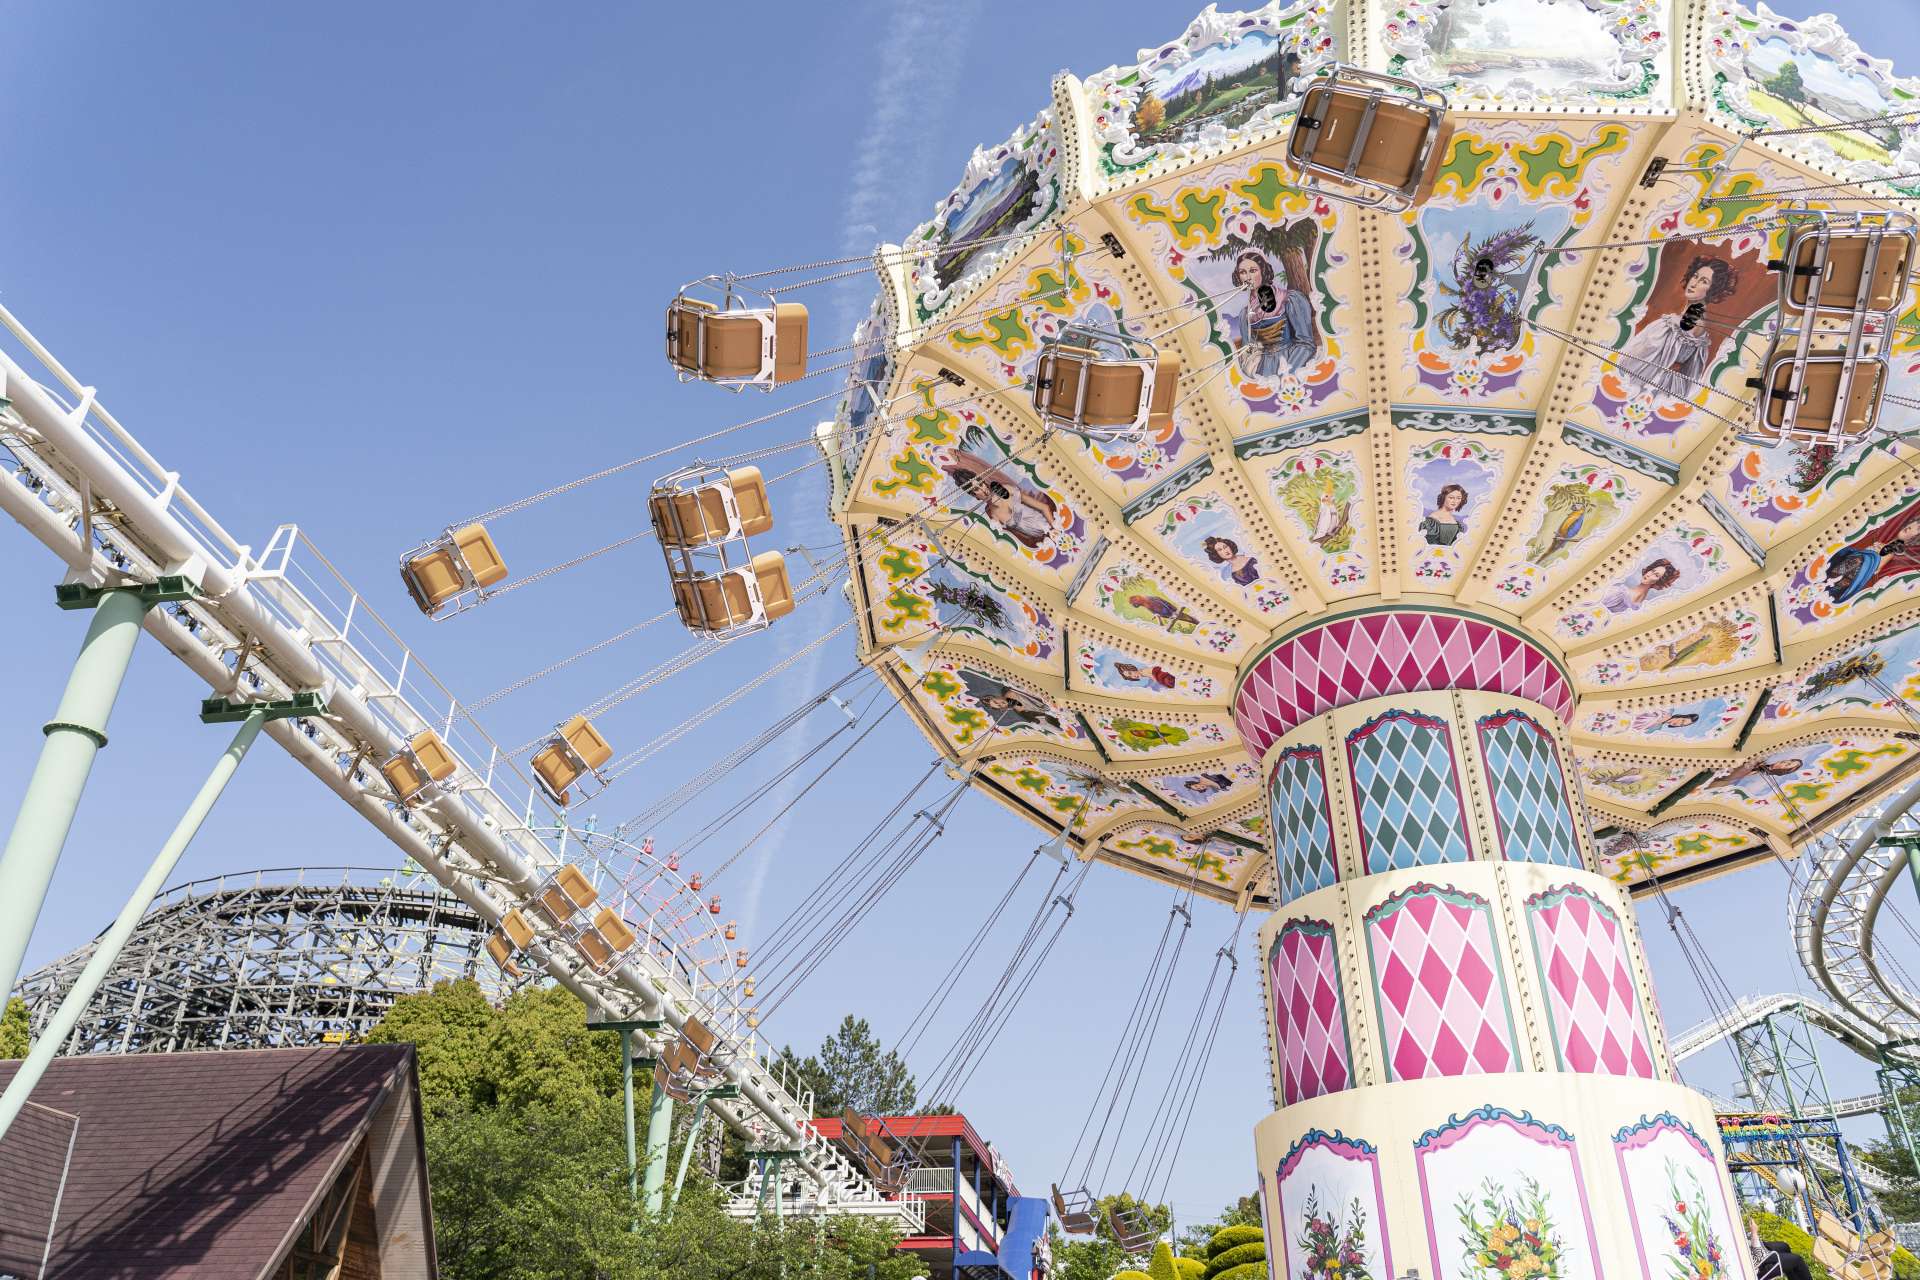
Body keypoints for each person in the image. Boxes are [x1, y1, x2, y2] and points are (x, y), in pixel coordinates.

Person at [1619, 255, 1738, 401]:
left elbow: (1654, 350)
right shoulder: (1692, 313)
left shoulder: (1693, 315)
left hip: (1658, 382)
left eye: (1704, 281)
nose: (1694, 283)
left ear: (1712, 290)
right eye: (1695, 276)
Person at [1233, 250, 1316, 377]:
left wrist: (1287, 374)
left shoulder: (1289, 299)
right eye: (1243, 272)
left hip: (1290, 362)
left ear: (1263, 271)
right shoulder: (1244, 315)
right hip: (1262, 369)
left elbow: (1306, 344)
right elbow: (1248, 351)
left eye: (1253, 270)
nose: (1248, 277)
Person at [1602, 558, 1683, 614]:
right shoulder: (1619, 592)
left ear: (1659, 581)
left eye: (1656, 575)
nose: (1649, 575)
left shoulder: (1640, 609)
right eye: (1652, 571)